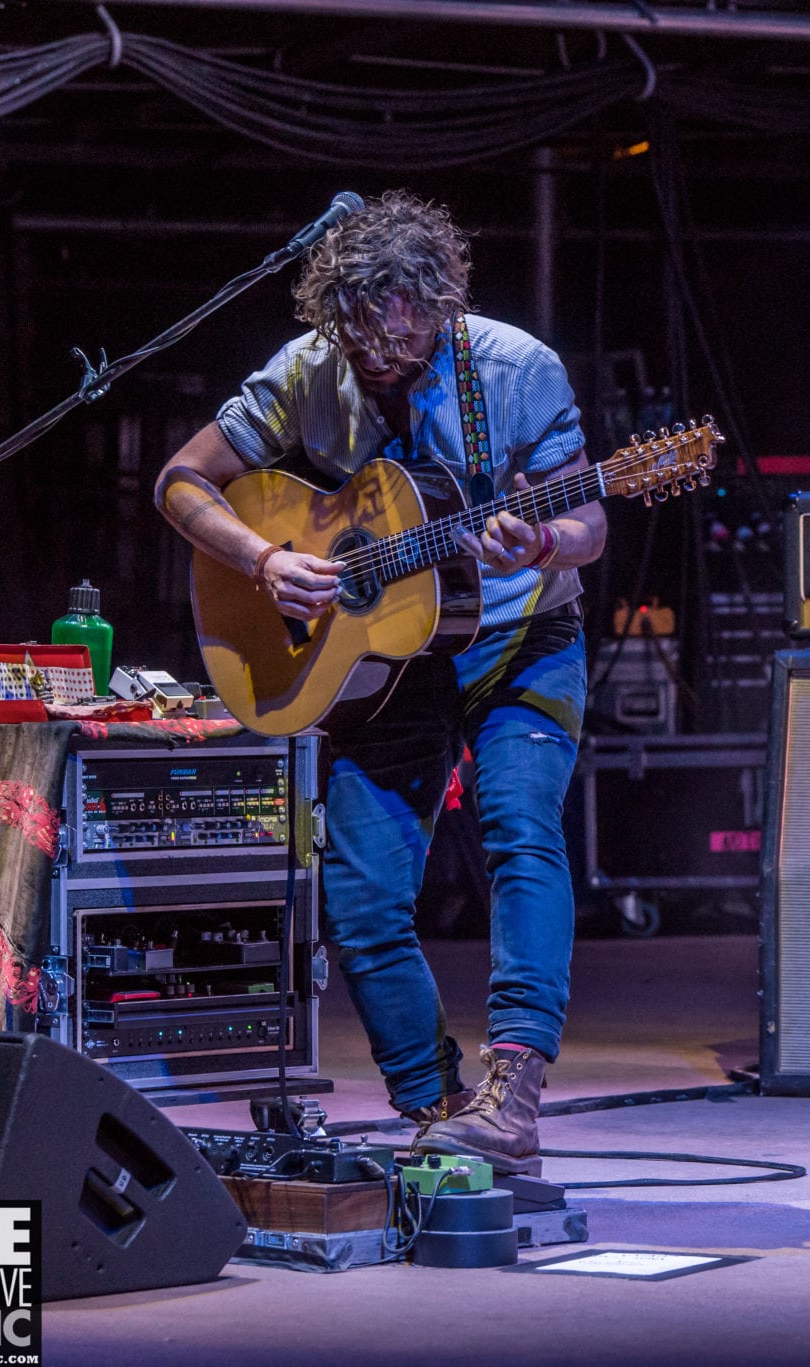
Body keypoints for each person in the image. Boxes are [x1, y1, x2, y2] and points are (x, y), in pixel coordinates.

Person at [154, 190, 604, 1174]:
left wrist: (540, 533)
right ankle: (437, 1106)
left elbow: (590, 525)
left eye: (410, 333)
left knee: (519, 828)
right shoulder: (306, 371)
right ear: (336, 312)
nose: (387, 352)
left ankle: (515, 1089)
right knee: (358, 892)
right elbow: (181, 481)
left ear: (441, 304)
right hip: (385, 663)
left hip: (519, 633)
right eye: (365, 335)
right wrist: (263, 560)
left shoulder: (515, 369)